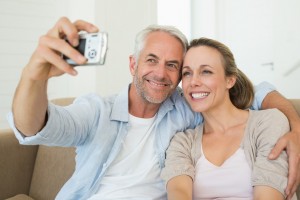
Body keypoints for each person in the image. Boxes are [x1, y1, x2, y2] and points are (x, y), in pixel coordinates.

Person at [7, 17, 300, 199]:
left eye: (173, 65)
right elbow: (34, 127)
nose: (161, 73)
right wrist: (33, 75)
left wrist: (296, 129)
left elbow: (256, 91)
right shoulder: (96, 111)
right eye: (151, 60)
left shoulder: (187, 106)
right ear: (133, 63)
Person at [161, 38, 297, 200]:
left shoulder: (268, 122)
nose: (194, 82)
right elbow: (178, 193)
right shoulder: (183, 142)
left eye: (206, 71)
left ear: (230, 80)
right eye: (187, 73)